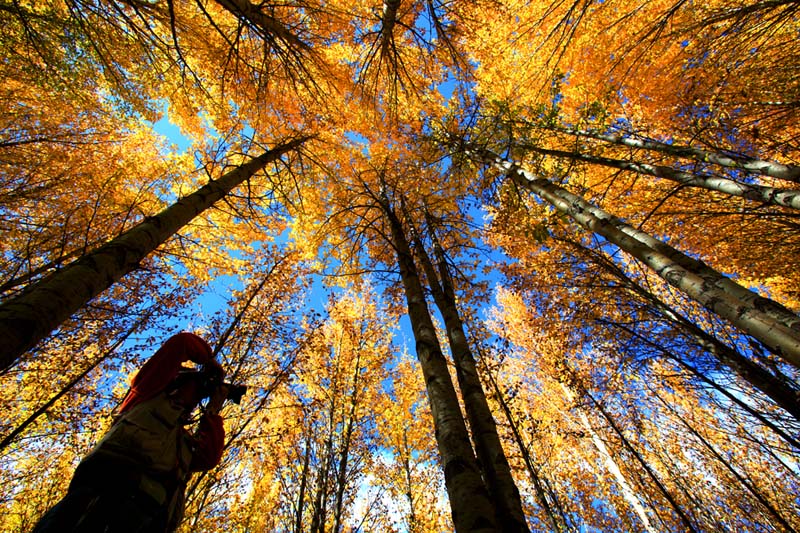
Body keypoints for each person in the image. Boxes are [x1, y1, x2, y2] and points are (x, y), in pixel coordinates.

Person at [32, 332, 229, 533]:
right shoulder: (146, 394)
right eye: (195, 387)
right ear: (174, 384)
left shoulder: (180, 440)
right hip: (101, 496)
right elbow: (182, 343)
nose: (197, 396)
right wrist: (210, 361)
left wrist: (213, 409)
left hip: (149, 517)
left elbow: (208, 458)